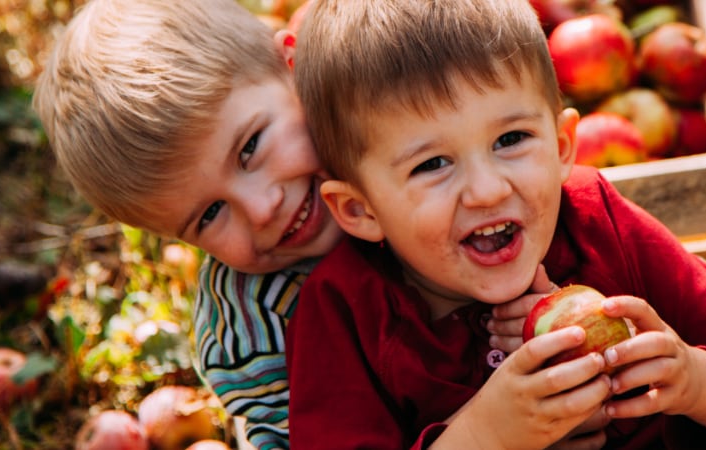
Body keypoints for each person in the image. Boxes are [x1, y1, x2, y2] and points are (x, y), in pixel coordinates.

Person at [283, 0, 706, 448]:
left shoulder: (595, 221)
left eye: (511, 140)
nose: (489, 189)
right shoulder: (346, 311)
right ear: (361, 210)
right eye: (431, 164)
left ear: (564, 146)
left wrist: (693, 380)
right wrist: (484, 435)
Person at [32, 1, 541, 448]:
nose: (262, 208)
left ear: (293, 68)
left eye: (250, 147)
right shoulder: (257, 336)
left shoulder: (423, 129)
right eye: (210, 215)